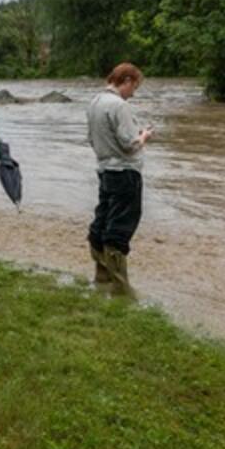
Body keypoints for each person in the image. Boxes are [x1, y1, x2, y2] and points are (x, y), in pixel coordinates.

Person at [86, 62, 154, 296]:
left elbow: (91, 139)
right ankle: (121, 289)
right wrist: (144, 135)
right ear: (125, 81)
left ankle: (101, 278)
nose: (134, 93)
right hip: (125, 173)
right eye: (134, 86)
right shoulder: (119, 105)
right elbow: (129, 144)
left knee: (102, 222)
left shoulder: (94, 102)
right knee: (120, 228)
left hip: (105, 171)